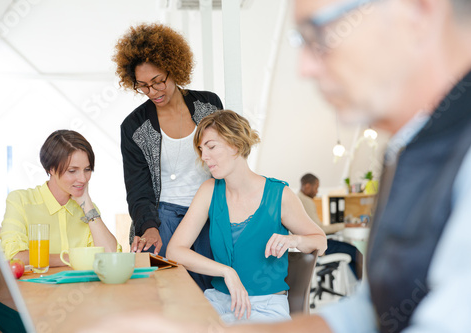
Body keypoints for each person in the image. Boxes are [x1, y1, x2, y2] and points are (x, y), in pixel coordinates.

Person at [83, 0, 471, 331]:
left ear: (418, 11)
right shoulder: (407, 150)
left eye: (320, 35)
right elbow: (368, 312)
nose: (304, 67)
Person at [165, 110, 326, 324]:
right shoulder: (209, 191)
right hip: (218, 303)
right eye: (201, 150)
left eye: (211, 147)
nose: (204, 157)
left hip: (266, 310)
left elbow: (320, 241)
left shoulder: (279, 195)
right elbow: (175, 251)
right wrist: (226, 272)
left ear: (237, 145)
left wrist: (293, 240)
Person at [113, 23, 223, 291]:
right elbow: (138, 188)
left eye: (158, 81)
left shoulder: (209, 106)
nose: (153, 92)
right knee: (170, 293)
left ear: (174, 69)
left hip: (210, 211)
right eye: (143, 86)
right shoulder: (134, 127)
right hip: (163, 217)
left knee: (212, 291)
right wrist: (148, 226)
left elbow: (229, 157)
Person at [0, 130, 119, 332]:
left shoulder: (87, 208)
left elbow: (111, 255)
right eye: (73, 171)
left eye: (87, 169)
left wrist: (87, 205)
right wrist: (72, 258)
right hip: (18, 309)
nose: (83, 178)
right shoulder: (21, 200)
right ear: (51, 168)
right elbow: (16, 257)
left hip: (69, 308)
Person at [298, 173, 362, 279]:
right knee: (356, 252)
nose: (317, 192)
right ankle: (364, 287)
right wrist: (345, 225)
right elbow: (321, 229)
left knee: (351, 252)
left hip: (308, 248)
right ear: (308, 186)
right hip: (318, 247)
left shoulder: (297, 199)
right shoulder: (306, 201)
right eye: (316, 188)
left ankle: (360, 285)